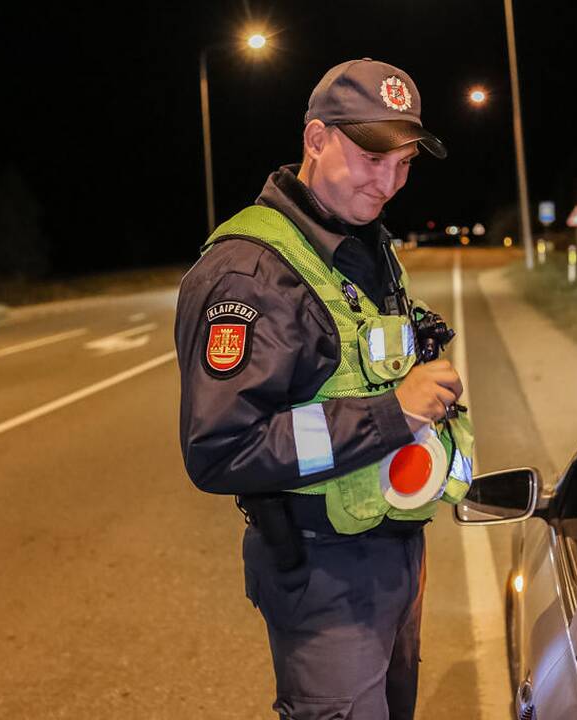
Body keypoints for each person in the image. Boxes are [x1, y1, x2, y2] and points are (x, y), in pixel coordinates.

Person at [174, 58, 475, 720]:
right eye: (371, 156)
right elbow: (220, 450)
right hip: (323, 573)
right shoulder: (250, 273)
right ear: (315, 139)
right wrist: (390, 414)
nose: (388, 181)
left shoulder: (364, 245)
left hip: (392, 550)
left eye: (403, 162)